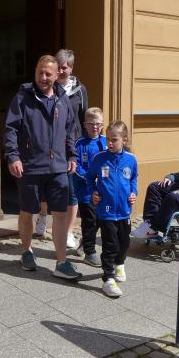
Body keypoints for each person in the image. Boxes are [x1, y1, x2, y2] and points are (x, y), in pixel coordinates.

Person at [3, 55, 81, 280]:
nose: (43, 77)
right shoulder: (23, 97)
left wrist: (72, 155)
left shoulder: (63, 99)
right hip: (30, 166)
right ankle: (27, 251)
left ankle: (62, 262)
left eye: (48, 74)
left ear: (56, 75)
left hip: (58, 167)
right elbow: (10, 129)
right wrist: (13, 157)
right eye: (40, 73)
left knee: (60, 214)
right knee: (27, 212)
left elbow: (70, 129)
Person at [34, 48, 88, 253]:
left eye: (65, 67)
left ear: (71, 68)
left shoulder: (80, 90)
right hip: (51, 146)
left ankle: (69, 231)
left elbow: (83, 117)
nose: (62, 70)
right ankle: (42, 215)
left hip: (72, 147)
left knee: (71, 191)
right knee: (46, 185)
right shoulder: (49, 87)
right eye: (59, 67)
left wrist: (80, 146)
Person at [86, 120, 138, 298]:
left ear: (125, 139)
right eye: (108, 138)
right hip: (106, 211)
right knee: (110, 245)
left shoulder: (131, 159)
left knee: (124, 243)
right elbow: (89, 178)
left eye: (114, 139)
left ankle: (119, 263)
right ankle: (108, 279)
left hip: (124, 211)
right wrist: (93, 192)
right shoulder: (99, 158)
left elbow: (133, 179)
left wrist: (134, 193)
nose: (109, 142)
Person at [73, 107, 107, 267]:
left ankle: (85, 241)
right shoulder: (79, 144)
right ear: (85, 124)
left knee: (100, 219)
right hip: (86, 191)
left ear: (102, 124)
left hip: (103, 191)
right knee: (90, 221)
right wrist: (91, 179)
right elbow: (77, 166)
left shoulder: (105, 142)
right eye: (91, 124)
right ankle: (90, 252)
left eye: (98, 124)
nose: (95, 127)